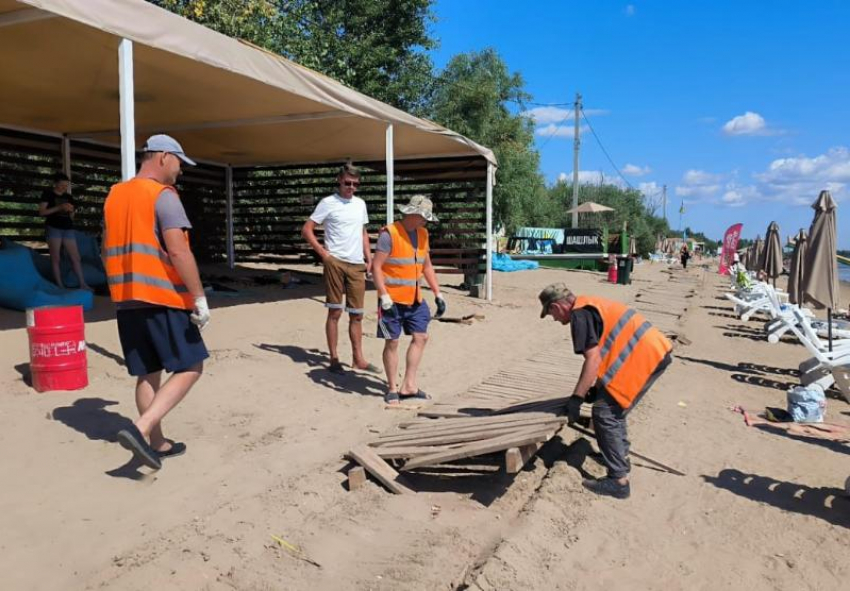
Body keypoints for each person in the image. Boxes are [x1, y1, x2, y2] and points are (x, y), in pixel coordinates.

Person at [102, 134, 210, 470]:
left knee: (148, 372)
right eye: (179, 163)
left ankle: (156, 443)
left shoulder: (115, 195)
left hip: (126, 299)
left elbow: (105, 248)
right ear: (163, 157)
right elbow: (178, 250)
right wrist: (199, 297)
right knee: (191, 366)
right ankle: (141, 427)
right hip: (162, 296)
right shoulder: (163, 196)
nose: (180, 171)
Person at [539, 283, 672, 499]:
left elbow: (593, 360)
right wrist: (597, 388)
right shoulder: (589, 304)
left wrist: (577, 399)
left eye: (551, 313)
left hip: (644, 356)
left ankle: (618, 481)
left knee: (605, 413)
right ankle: (620, 457)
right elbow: (608, 351)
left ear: (556, 306)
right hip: (652, 350)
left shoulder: (579, 316)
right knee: (612, 406)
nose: (553, 319)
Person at [302, 162, 378, 374]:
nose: (351, 187)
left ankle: (358, 359)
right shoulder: (328, 203)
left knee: (357, 314)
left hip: (357, 264)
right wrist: (324, 254)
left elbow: (363, 232)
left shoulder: (360, 204)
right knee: (335, 311)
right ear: (339, 181)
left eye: (355, 184)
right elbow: (307, 229)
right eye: (347, 183)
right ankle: (334, 358)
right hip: (335, 261)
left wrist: (369, 257)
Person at [371, 195, 446, 404]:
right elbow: (376, 267)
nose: (425, 222)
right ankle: (392, 388)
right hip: (392, 298)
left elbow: (426, 266)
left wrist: (438, 293)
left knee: (421, 337)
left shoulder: (423, 234)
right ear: (412, 213)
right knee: (392, 341)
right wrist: (383, 295)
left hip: (415, 298)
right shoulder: (389, 234)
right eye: (423, 217)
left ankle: (409, 385)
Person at [38, 172, 91, 290]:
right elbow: (42, 212)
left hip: (68, 228)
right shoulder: (48, 194)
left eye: (66, 185)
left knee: (76, 257)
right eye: (62, 185)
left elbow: (72, 217)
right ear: (55, 183)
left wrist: (71, 211)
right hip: (53, 228)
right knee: (56, 258)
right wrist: (59, 207)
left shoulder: (69, 197)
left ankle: (83, 284)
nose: (64, 187)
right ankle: (60, 285)